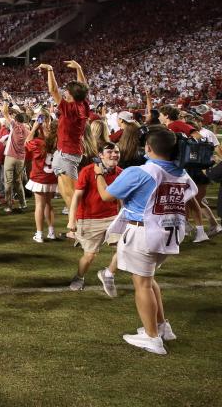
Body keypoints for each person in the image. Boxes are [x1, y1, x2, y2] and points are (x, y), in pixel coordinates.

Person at [94, 126, 198, 355]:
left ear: (148, 148)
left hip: (143, 233)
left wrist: (98, 174)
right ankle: (162, 327)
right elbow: (191, 195)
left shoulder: (140, 171)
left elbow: (106, 195)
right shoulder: (182, 173)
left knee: (141, 284)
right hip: (168, 234)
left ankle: (152, 338)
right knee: (149, 280)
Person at [66, 142, 122, 292]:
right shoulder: (88, 171)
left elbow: (122, 199)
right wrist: (72, 220)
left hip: (113, 218)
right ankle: (79, 276)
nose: (114, 154)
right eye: (110, 151)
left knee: (125, 248)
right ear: (100, 155)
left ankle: (108, 274)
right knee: (90, 256)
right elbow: (77, 197)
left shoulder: (121, 172)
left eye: (117, 151)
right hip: (90, 218)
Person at [38, 61, 90, 210]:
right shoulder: (83, 104)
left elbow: (53, 89)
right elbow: (83, 87)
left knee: (70, 193)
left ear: (72, 94)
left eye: (67, 90)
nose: (65, 92)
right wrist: (79, 68)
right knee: (65, 191)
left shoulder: (70, 109)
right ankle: (75, 223)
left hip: (67, 154)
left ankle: (77, 225)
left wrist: (50, 69)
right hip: (67, 153)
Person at [26, 120, 59, 243]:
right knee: (49, 204)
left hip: (39, 178)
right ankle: (51, 232)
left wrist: (34, 128)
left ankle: (39, 234)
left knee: (39, 205)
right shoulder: (57, 143)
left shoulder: (38, 143)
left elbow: (27, 142)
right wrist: (41, 130)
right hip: (51, 178)